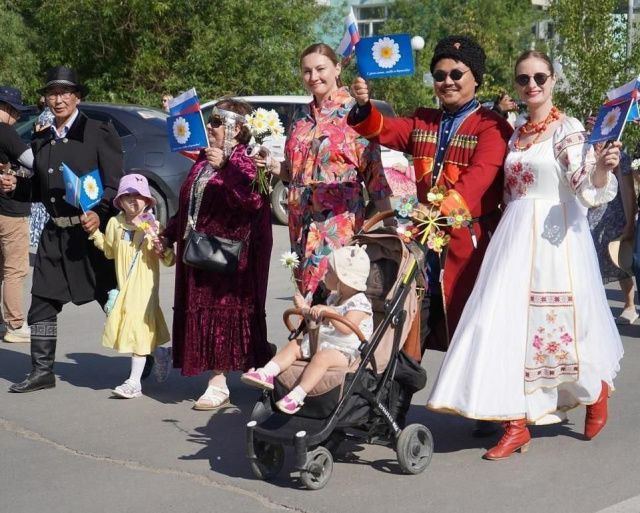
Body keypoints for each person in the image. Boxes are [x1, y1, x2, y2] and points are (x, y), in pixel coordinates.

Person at [426, 50, 624, 460]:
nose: (531, 85)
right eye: (523, 79)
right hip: (512, 236)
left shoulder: (567, 129)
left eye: (539, 78)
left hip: (555, 240)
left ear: (553, 80)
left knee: (560, 328)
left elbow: (585, 185)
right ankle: (514, 423)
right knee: (498, 323)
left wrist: (603, 167)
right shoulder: (515, 131)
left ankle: (596, 389)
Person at [348, 35, 512, 355]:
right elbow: (382, 129)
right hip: (424, 244)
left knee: (469, 334)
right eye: (439, 75)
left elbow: (478, 178)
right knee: (408, 328)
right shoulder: (424, 120)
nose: (447, 81)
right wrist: (364, 106)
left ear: (476, 78)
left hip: (469, 246)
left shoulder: (492, 127)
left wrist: (435, 214)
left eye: (456, 74)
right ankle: (401, 384)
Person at [0, 66, 123, 393]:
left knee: (112, 297)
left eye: (65, 93)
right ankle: (42, 370)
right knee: (42, 301)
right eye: (52, 94)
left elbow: (114, 186)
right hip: (55, 235)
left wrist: (98, 213)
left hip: (92, 236)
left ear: (77, 97)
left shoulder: (98, 132)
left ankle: (143, 355)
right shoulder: (41, 139)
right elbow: (40, 190)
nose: (58, 100)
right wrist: (15, 187)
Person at [162, 98, 273, 410]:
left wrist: (225, 167)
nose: (209, 128)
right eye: (210, 121)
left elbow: (252, 201)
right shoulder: (203, 158)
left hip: (230, 255)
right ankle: (263, 357)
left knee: (221, 314)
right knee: (203, 311)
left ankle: (218, 382)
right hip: (199, 250)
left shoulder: (247, 158)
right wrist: (168, 234)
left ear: (236, 129)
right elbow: (189, 204)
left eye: (215, 122)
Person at [262, 43, 391, 299]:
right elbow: (294, 173)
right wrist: (272, 165)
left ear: (337, 69)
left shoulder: (355, 113)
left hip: (337, 227)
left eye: (320, 69)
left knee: (333, 301)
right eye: (306, 71)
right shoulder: (300, 115)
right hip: (300, 226)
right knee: (308, 303)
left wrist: (390, 225)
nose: (313, 77)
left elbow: (375, 176)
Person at [241, 245, 373, 414]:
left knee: (321, 358)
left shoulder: (360, 303)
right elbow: (320, 319)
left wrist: (329, 312)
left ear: (343, 279)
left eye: (329, 272)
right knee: (295, 344)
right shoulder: (335, 297)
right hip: (325, 341)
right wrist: (305, 308)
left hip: (346, 352)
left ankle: (297, 396)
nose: (325, 275)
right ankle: (266, 373)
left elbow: (347, 328)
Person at [88, 174, 174, 398]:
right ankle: (161, 353)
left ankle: (134, 382)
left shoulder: (153, 225)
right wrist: (95, 234)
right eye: (128, 196)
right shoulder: (115, 224)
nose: (134, 201)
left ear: (147, 200)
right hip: (125, 286)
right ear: (120, 201)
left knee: (137, 328)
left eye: (139, 196)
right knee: (141, 330)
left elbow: (169, 260)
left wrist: (161, 247)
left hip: (145, 288)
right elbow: (110, 251)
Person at [0, 86, 35, 343]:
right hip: (10, 211)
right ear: (7, 108)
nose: (18, 117)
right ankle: (15, 324)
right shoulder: (5, 131)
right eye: (16, 112)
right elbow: (33, 160)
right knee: (15, 269)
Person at [588, 149, 637, 323]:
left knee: (617, 260)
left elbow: (628, 190)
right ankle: (594, 307)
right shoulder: (584, 152)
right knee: (589, 261)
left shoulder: (619, 155)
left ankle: (629, 305)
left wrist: (630, 221)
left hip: (614, 214)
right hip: (587, 213)